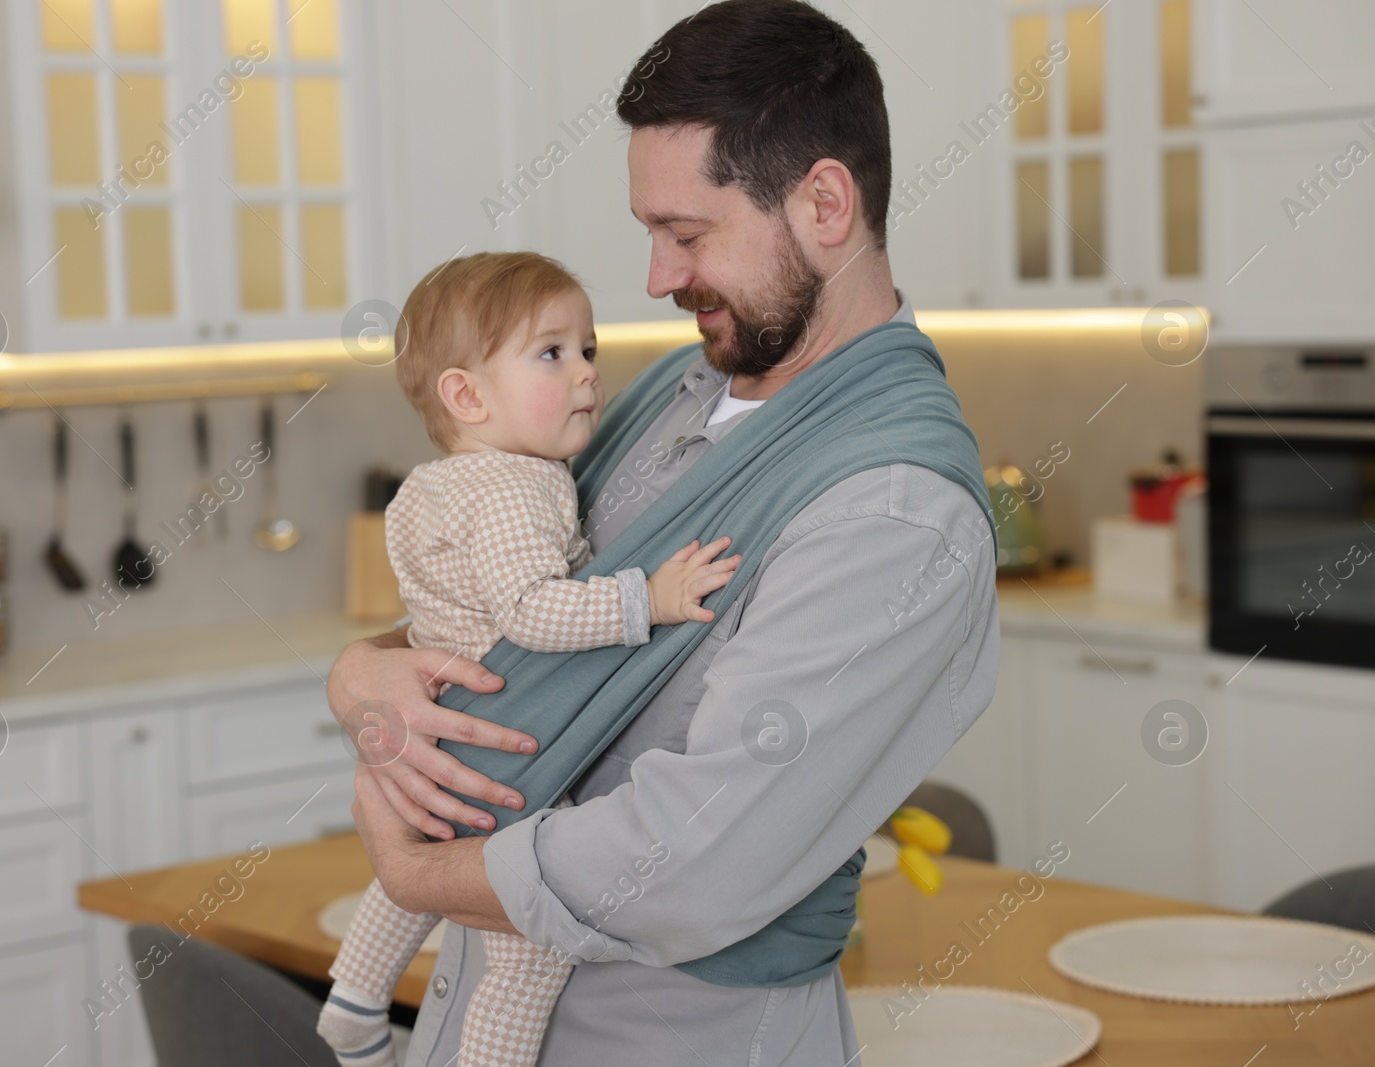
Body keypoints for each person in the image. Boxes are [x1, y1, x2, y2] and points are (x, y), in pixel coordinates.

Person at [333, 2, 1001, 1062]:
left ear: (825, 203)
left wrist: (418, 876)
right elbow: (512, 618)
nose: (656, 278)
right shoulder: (679, 394)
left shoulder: (891, 510)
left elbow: (695, 851)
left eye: (686, 235)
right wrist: (363, 672)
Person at [316, 251, 740, 1067]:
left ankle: (354, 1000)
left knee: (412, 867)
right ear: (466, 394)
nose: (584, 374)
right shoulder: (518, 487)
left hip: (451, 738)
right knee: (526, 949)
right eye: (551, 353)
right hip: (511, 743)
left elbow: (444, 611)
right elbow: (530, 610)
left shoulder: (433, 486)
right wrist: (645, 598)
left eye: (587, 349)